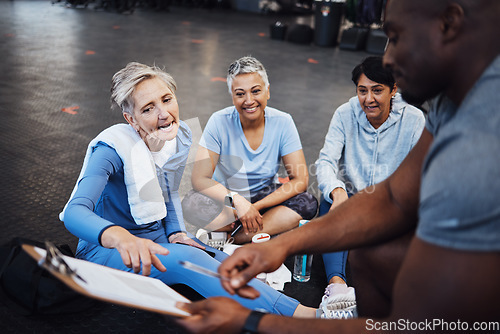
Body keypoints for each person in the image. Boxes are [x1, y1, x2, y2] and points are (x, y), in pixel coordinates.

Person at [175, 0, 500, 332]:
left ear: (449, 23)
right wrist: (279, 245)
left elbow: (415, 326)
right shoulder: (450, 98)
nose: (387, 57)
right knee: (366, 256)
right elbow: (392, 198)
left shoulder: (482, 135)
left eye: (396, 36)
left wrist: (253, 321)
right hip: (242, 204)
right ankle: (328, 277)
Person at [60, 62, 316, 317]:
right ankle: (306, 317)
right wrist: (119, 236)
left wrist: (176, 232)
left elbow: (168, 191)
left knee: (225, 261)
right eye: (148, 109)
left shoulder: (177, 138)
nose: (164, 114)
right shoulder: (111, 149)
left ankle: (276, 305)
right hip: (109, 249)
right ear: (131, 119)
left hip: (157, 235)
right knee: (190, 261)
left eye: (167, 100)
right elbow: (74, 213)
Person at [314, 56, 425, 318]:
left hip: (393, 204)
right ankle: (337, 288)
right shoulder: (345, 113)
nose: (369, 99)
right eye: (362, 90)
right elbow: (326, 160)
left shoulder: (414, 120)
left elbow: (420, 175)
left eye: (377, 90)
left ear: (393, 90)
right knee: (328, 202)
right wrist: (338, 191)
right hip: (352, 200)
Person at [182, 56, 318, 245]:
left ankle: (235, 237)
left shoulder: (283, 122)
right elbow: (199, 178)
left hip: (264, 199)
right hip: (227, 202)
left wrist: (254, 207)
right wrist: (237, 202)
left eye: (256, 91)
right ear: (232, 95)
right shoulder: (218, 121)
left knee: (308, 203)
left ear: (267, 92)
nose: (249, 100)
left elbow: (300, 180)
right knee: (191, 204)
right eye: (240, 94)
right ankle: (255, 231)